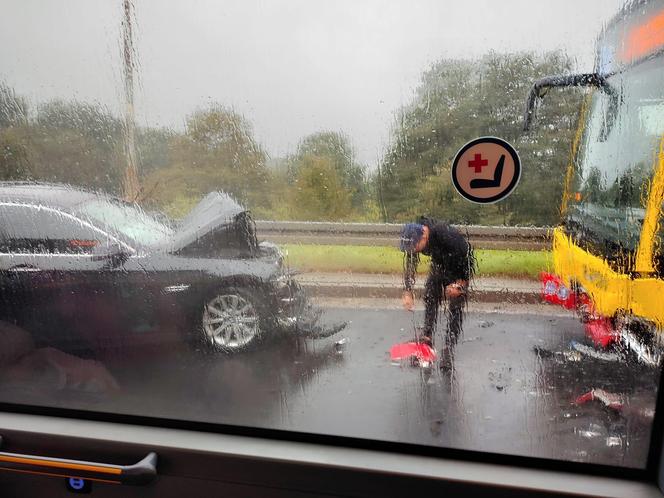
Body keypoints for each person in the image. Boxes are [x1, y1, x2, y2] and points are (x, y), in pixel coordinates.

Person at [400, 216, 474, 370]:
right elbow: (411, 262)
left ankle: (449, 347)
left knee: (455, 304)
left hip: (458, 266)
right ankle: (427, 336)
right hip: (440, 264)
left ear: (424, 236)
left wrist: (460, 284)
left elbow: (468, 259)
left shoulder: (446, 235)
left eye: (414, 246)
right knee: (430, 295)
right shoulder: (415, 234)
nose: (412, 250)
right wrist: (407, 290)